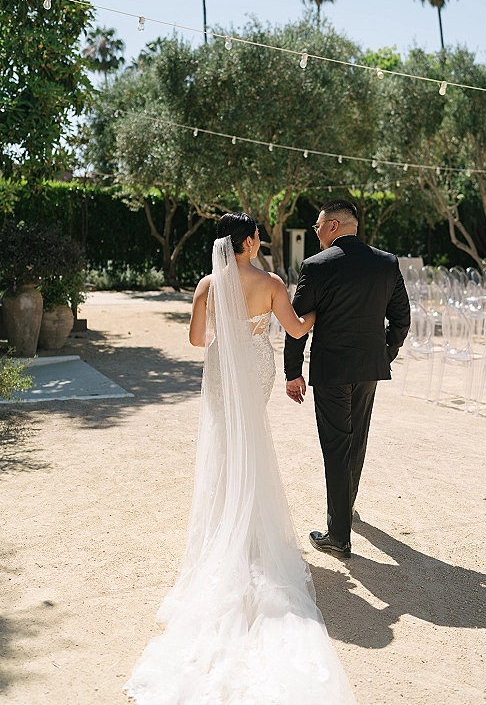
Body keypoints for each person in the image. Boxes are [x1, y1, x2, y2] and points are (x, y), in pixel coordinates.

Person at [124, 213, 357, 705]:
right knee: (254, 443)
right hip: (255, 368)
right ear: (249, 242)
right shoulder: (271, 282)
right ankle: (252, 537)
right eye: (258, 236)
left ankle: (223, 533)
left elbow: (194, 340)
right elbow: (296, 328)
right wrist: (323, 313)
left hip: (221, 372)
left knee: (227, 448)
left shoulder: (209, 283)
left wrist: (225, 336)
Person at [284, 199, 411, 559]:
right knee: (356, 440)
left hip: (331, 370)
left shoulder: (316, 266)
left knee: (337, 446)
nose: (316, 232)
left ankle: (338, 535)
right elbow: (402, 318)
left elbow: (297, 325)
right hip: (369, 368)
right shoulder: (386, 263)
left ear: (334, 226)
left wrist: (293, 372)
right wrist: (386, 353)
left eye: (318, 226)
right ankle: (345, 508)